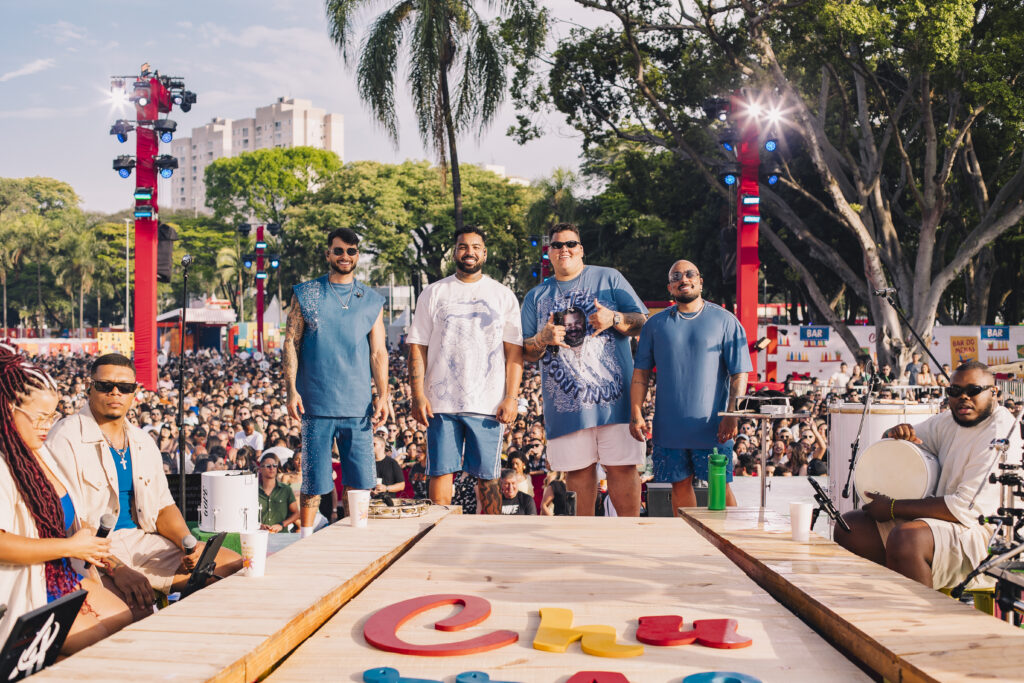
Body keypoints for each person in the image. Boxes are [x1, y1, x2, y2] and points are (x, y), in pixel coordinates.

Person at [48, 353, 242, 621]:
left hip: (144, 542)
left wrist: (190, 548)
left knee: (231, 566)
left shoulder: (142, 441)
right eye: (105, 385)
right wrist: (117, 569)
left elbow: (163, 508)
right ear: (89, 388)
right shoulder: (66, 437)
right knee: (135, 609)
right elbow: (72, 523)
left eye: (124, 388)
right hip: (95, 551)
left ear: (134, 393)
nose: (115, 392)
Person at [834, 362, 1022, 590]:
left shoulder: (999, 432)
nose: (963, 397)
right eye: (954, 391)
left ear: (995, 393)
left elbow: (965, 508)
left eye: (973, 391)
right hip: (943, 521)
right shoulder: (950, 420)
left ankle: (921, 617)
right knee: (850, 527)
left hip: (987, 534)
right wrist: (895, 434)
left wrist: (893, 507)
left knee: (907, 540)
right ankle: (892, 600)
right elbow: (909, 438)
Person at [0, 345, 132, 652]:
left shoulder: (38, 449)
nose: (48, 424)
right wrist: (71, 546)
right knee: (102, 644)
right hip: (22, 586)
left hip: (58, 575)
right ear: (7, 410)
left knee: (127, 620)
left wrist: (86, 540)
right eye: (39, 417)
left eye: (53, 415)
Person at [521, 223, 648, 517]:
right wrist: (543, 338)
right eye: (556, 245)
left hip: (615, 402)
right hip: (566, 407)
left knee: (623, 469)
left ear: (581, 249)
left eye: (570, 244)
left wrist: (613, 318)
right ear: (548, 253)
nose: (563, 249)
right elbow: (526, 352)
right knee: (578, 473)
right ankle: (586, 541)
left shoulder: (609, 278)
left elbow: (643, 322)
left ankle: (631, 538)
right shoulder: (536, 296)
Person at [407, 226, 523, 514]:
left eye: (475, 247)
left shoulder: (502, 295)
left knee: (488, 477)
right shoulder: (433, 293)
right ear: (455, 252)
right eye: (462, 246)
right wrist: (417, 395)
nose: (469, 252)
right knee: (441, 473)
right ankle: (437, 537)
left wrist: (512, 397)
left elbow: (514, 353)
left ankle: (492, 541)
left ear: (484, 253)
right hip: (440, 402)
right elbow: (417, 348)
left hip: (488, 403)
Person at [283, 227, 389, 537]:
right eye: (339, 250)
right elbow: (291, 341)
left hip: (358, 405)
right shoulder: (307, 293)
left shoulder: (371, 299)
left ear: (358, 255)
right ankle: (305, 538)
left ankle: (358, 535)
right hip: (315, 402)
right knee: (314, 479)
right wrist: (291, 389)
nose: (345, 256)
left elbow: (379, 351)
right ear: (328, 253)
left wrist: (383, 395)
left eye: (351, 251)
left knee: (360, 480)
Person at [629, 260, 752, 513]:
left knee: (720, 486)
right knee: (679, 486)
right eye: (676, 276)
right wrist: (636, 412)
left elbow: (740, 374)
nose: (683, 279)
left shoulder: (726, 321)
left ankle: (732, 543)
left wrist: (732, 414)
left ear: (700, 281)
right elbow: (641, 374)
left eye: (689, 274)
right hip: (669, 428)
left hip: (714, 426)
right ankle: (689, 543)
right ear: (670, 288)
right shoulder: (655, 324)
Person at [257, 453, 299, 532]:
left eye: (275, 466)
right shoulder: (253, 491)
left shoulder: (286, 489)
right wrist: (258, 526)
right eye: (268, 466)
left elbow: (296, 513)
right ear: (260, 469)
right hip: (259, 535)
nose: (272, 468)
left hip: (281, 536)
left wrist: (281, 525)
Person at [372, 434, 405, 498]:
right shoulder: (368, 464)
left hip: (388, 502)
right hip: (371, 502)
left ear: (382, 445)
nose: (371, 446)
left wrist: (386, 488)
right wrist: (370, 491)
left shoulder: (392, 463)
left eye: (374, 444)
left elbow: (401, 485)